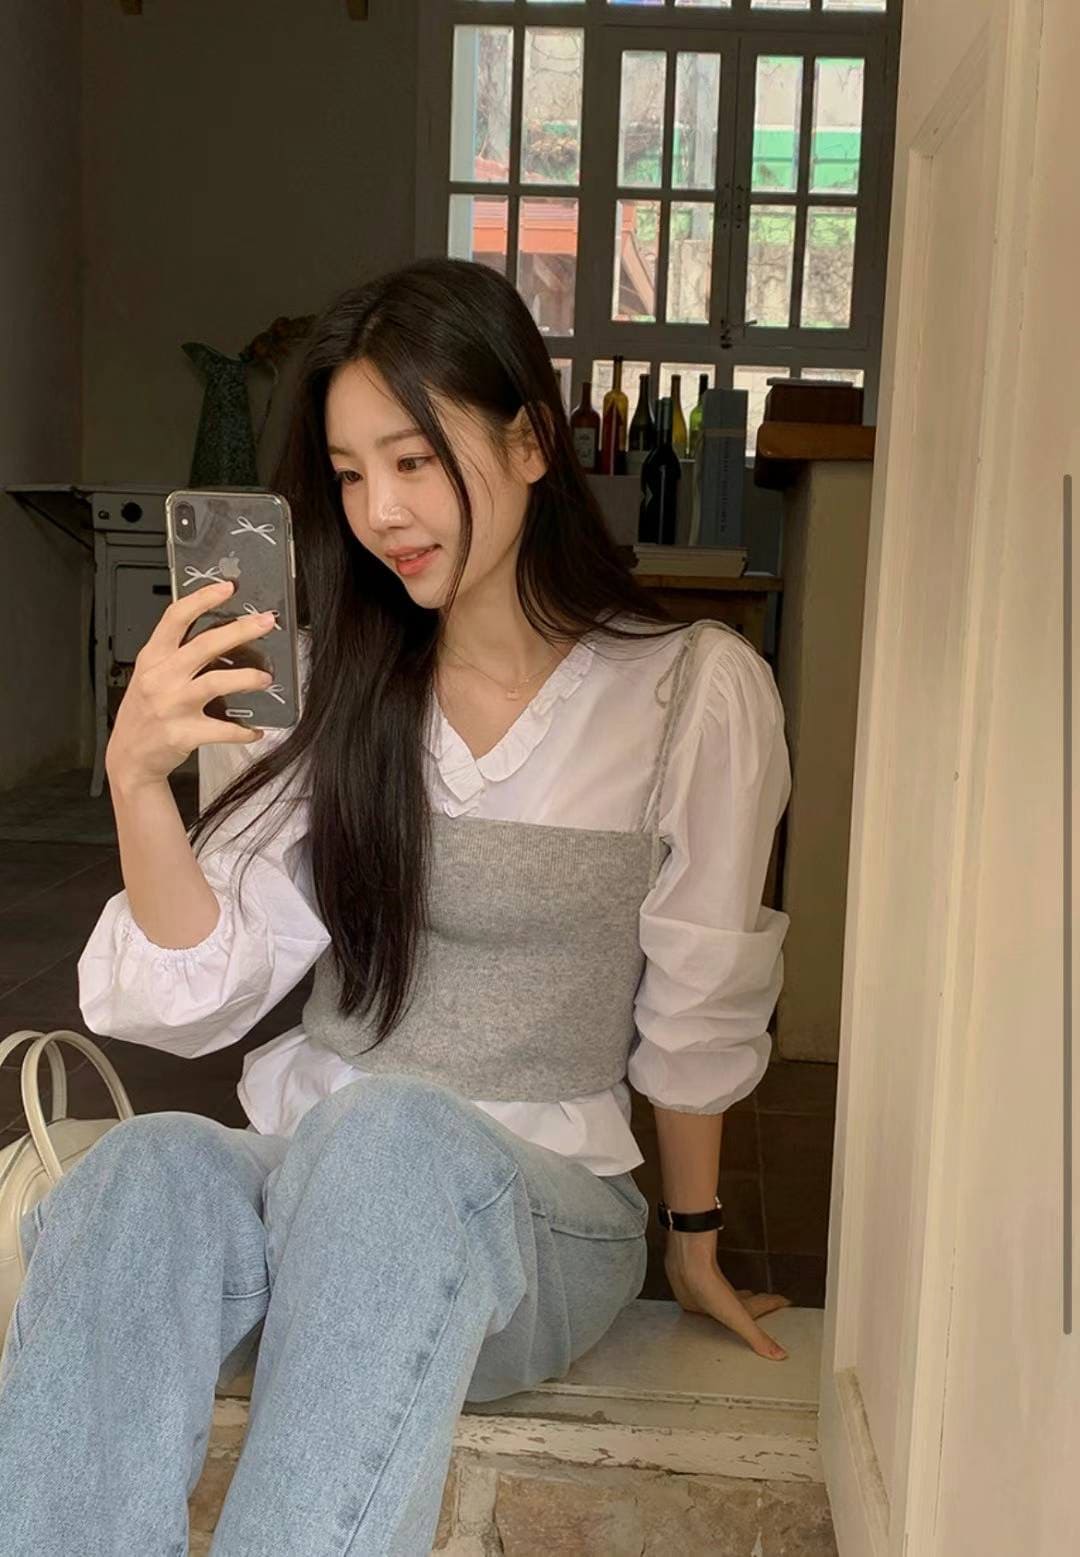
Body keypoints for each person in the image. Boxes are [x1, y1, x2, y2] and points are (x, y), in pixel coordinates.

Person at [0, 257, 793, 1555]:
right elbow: (203, 988)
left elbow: (701, 999)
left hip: (535, 1220)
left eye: (414, 460)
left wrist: (694, 1240)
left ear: (530, 441)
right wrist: (140, 782)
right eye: (348, 473)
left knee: (389, 1141)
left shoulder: (688, 694)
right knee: (141, 1173)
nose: (380, 511)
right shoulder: (332, 689)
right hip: (307, 1183)